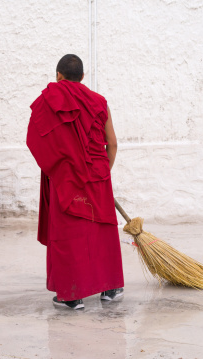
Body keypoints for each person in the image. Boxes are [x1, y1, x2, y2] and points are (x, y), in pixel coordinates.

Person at [26, 54, 124, 310]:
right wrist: (103, 173)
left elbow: (37, 141)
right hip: (98, 174)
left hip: (66, 176)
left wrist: (56, 168)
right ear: (82, 77)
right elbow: (111, 143)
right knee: (101, 230)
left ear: (58, 75)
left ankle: (71, 296)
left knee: (69, 234)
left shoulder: (48, 100)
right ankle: (110, 289)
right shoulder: (99, 101)